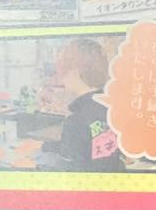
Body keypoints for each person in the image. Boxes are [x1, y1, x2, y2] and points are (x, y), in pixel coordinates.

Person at [42, 38, 123, 171]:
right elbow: (89, 145)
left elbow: (66, 171)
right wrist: (46, 146)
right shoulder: (111, 106)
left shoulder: (76, 120)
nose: (61, 77)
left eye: (63, 71)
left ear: (75, 72)